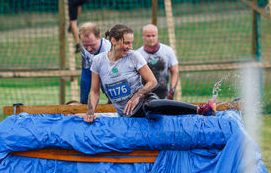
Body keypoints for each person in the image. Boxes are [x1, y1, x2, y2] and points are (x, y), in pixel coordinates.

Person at [84, 24, 216, 123]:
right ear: (113, 41)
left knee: (150, 107)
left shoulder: (134, 56)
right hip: (126, 115)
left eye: (131, 43)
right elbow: (95, 91)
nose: (130, 47)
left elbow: (153, 82)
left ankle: (200, 110)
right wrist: (90, 112)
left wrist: (137, 96)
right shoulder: (98, 61)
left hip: (144, 103)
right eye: (126, 43)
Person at [138, 24, 179, 100]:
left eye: (153, 35)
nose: (151, 38)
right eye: (148, 36)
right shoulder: (138, 54)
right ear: (143, 36)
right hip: (145, 96)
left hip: (164, 95)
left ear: (157, 35)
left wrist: (172, 90)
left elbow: (175, 71)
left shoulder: (168, 51)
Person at [79, 22, 111, 104]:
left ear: (99, 37)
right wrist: (83, 101)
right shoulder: (84, 51)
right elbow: (86, 75)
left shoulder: (109, 50)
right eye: (85, 45)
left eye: (92, 45)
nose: (89, 49)